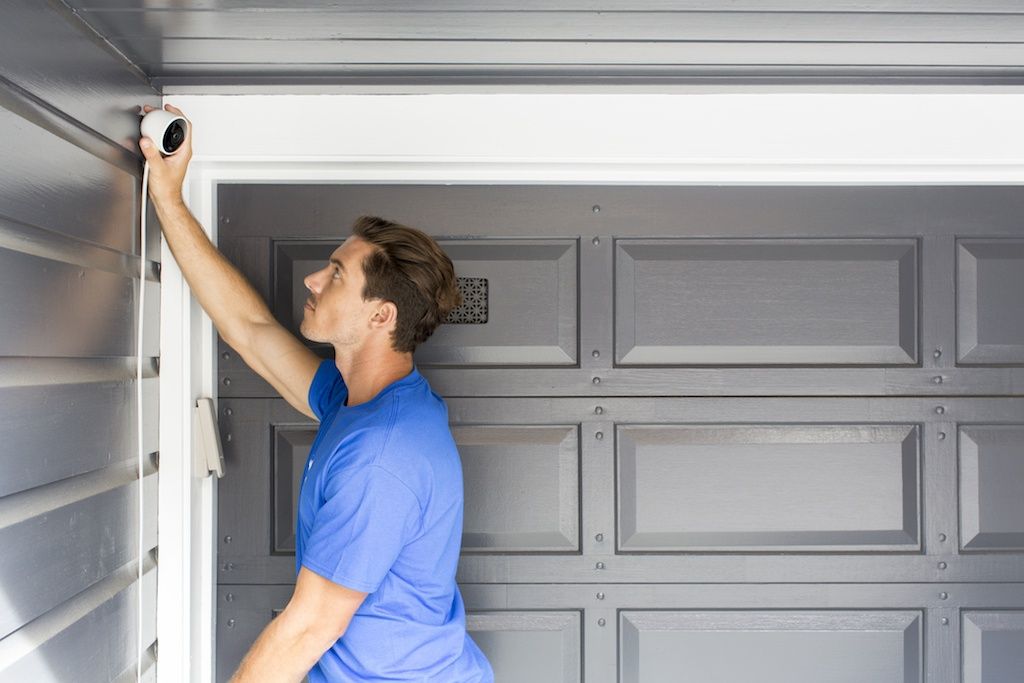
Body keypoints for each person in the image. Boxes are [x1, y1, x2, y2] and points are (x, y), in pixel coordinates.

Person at [139, 104, 494, 683]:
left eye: (335, 274)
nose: (311, 279)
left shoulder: (383, 455)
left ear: (380, 315)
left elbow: (310, 628)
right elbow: (250, 332)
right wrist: (168, 199)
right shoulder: (360, 401)